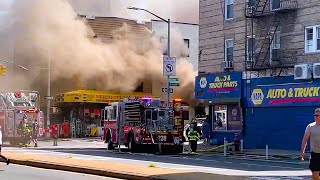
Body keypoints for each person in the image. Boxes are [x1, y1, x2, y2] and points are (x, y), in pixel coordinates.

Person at [301, 108, 320, 180]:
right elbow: (305, 140)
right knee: (315, 176)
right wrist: (302, 152)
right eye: (315, 115)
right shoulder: (310, 126)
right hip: (315, 154)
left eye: (317, 115)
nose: (315, 117)